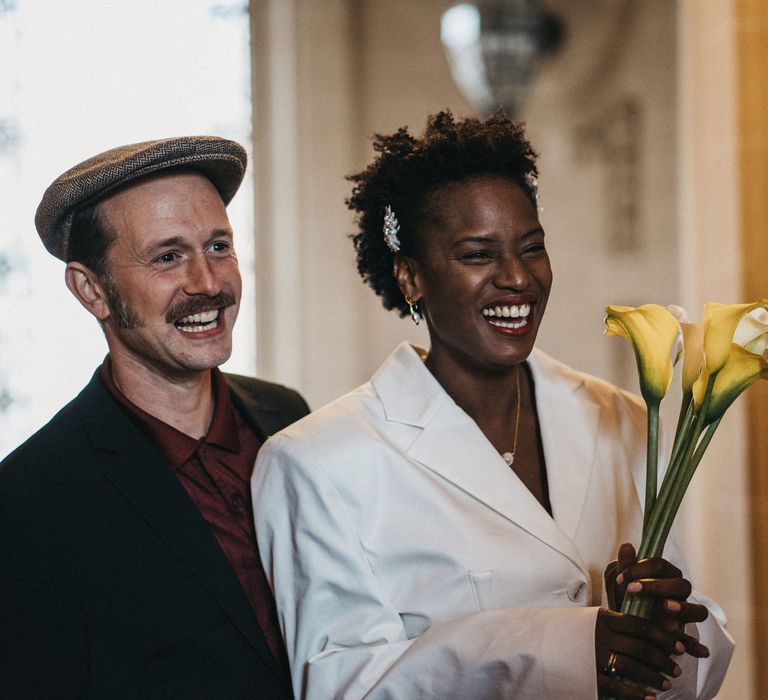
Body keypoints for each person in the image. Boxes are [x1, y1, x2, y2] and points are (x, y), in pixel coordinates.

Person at [251, 112, 734, 699]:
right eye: (478, 254)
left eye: (532, 248)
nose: (516, 278)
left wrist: (661, 631)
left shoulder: (626, 420)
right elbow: (344, 687)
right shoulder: (318, 464)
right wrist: (568, 648)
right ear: (410, 278)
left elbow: (689, 680)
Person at [0, 136, 308, 698]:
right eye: (167, 257)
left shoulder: (289, 416)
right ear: (91, 290)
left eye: (218, 246)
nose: (209, 284)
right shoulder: (28, 501)